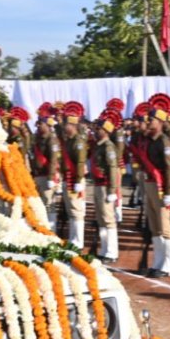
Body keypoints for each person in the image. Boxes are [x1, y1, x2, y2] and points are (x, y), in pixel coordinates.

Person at [139, 106, 170, 277]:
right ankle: (158, 261)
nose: (148, 122)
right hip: (149, 184)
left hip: (161, 188)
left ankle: (168, 265)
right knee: (154, 226)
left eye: (152, 120)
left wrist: (169, 192)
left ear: (160, 122)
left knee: (165, 226)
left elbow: (169, 168)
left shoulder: (164, 141)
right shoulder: (149, 140)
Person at [91, 110, 122, 263]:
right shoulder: (99, 145)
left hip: (105, 186)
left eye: (99, 129)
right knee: (101, 219)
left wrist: (112, 190)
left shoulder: (108, 147)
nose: (96, 131)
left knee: (108, 219)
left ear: (106, 131)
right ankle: (104, 249)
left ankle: (111, 251)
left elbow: (112, 168)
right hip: (97, 185)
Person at [58, 102, 88, 248]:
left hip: (75, 179)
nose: (65, 127)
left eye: (67, 124)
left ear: (73, 125)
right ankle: (73, 239)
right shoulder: (69, 141)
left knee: (77, 211)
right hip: (68, 178)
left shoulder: (78, 142)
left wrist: (78, 181)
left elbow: (80, 162)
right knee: (71, 211)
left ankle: (78, 242)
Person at [31, 105, 60, 232]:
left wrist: (50, 177)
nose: (38, 126)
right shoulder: (37, 138)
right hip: (38, 175)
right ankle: (42, 227)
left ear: (47, 124)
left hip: (47, 175)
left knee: (48, 204)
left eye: (40, 123)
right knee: (39, 204)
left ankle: (51, 229)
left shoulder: (51, 139)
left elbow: (53, 159)